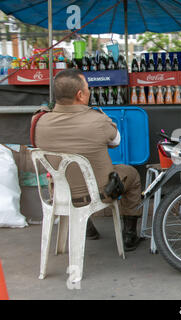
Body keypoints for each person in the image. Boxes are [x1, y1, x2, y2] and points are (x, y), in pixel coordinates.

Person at [32, 69, 142, 251]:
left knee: (71, 174)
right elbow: (117, 141)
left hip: (59, 192)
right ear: (80, 95)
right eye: (88, 88)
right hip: (98, 194)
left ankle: (86, 227)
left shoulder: (38, 121)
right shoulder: (98, 121)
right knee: (131, 174)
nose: (90, 92)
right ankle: (129, 234)